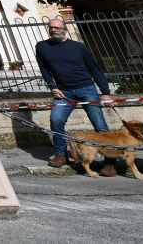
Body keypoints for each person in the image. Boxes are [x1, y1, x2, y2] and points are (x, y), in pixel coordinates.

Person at [36, 17, 115, 173]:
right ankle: (61, 155)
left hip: (87, 89)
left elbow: (95, 69)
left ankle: (110, 163)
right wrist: (52, 87)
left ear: (65, 29)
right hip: (63, 92)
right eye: (51, 27)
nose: (53, 30)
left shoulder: (79, 47)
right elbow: (44, 69)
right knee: (56, 120)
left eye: (57, 28)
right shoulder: (42, 47)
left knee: (100, 125)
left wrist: (105, 93)